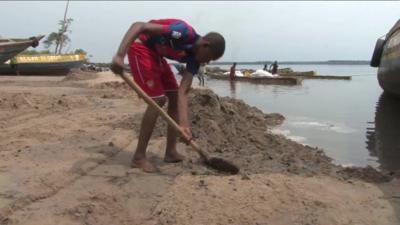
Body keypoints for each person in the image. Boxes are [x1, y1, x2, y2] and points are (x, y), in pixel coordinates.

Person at [111, 19, 225, 172]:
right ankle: (138, 157)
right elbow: (139, 26)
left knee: (173, 96)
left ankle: (170, 152)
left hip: (156, 55)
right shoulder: (183, 32)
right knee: (158, 99)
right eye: (209, 58)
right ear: (205, 45)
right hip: (141, 46)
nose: (208, 62)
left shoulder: (194, 61)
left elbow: (183, 91)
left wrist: (184, 126)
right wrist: (120, 56)